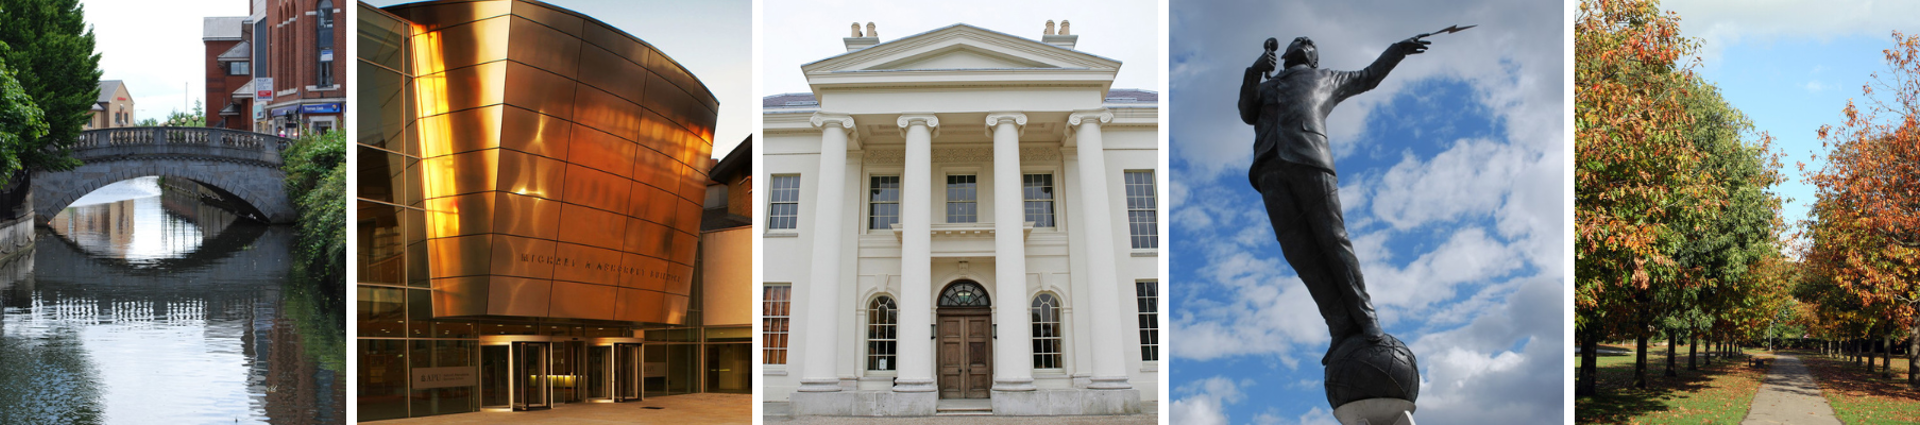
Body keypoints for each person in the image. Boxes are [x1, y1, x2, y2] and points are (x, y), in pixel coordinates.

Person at [1238, 35, 1428, 364]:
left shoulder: (1328, 77)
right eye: (1298, 41)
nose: (1303, 42)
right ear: (1282, 58)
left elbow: (1369, 77)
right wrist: (1254, 72)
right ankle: (1339, 324)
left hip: (1310, 159)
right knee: (1299, 253)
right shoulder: (1266, 85)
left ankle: (1367, 318)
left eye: (1309, 42)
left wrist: (1397, 50)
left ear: (1313, 59)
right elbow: (1246, 112)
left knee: (1333, 240)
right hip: (1269, 169)